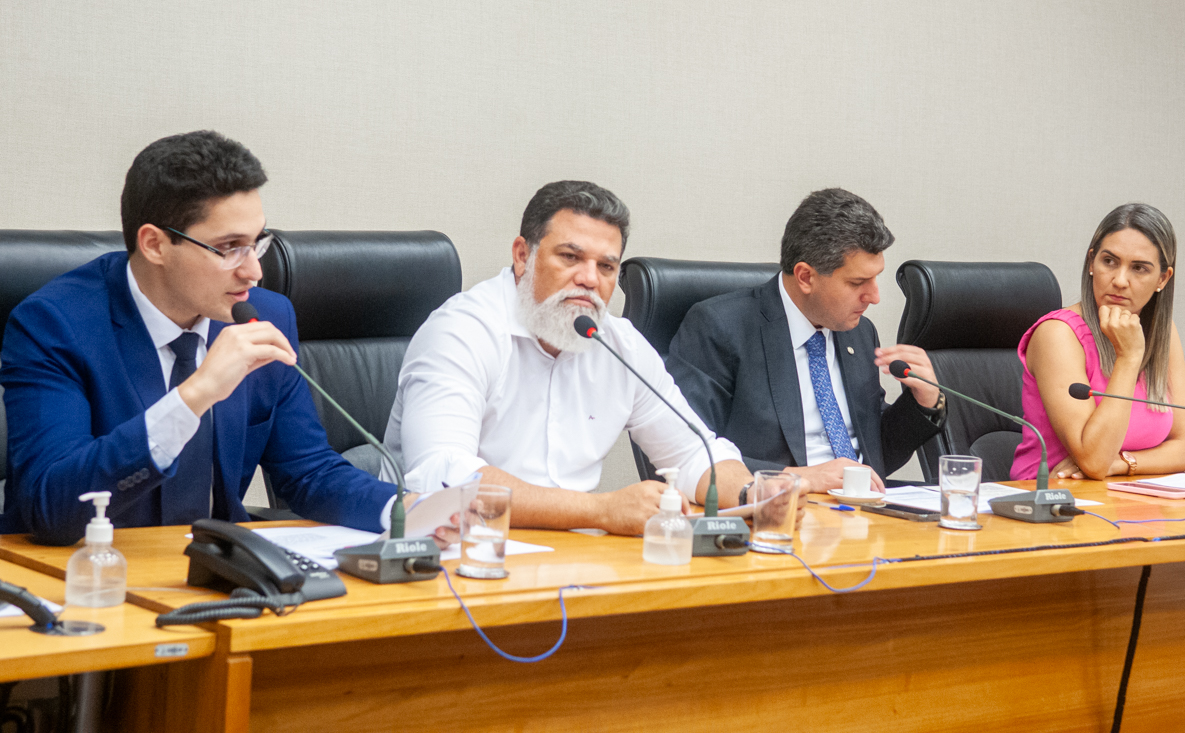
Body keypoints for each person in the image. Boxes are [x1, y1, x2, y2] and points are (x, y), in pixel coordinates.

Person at [1, 131, 404, 545]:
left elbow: (308, 472)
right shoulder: (54, 325)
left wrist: (406, 509)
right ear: (155, 245)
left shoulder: (264, 317)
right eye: (229, 247)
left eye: (256, 243)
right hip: (85, 568)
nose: (254, 272)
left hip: (219, 565)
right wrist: (195, 395)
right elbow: (51, 508)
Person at [384, 181, 804, 535]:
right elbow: (445, 474)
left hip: (575, 558)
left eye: (606, 267)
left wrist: (753, 494)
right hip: (456, 552)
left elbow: (694, 453)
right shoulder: (462, 331)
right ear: (522, 255)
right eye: (570, 257)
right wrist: (600, 511)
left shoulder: (618, 345)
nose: (589, 279)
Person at [666, 188, 945, 494]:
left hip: (861, 510)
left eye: (876, 277)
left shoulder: (859, 332)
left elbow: (874, 453)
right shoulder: (720, 328)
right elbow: (689, 452)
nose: (874, 297)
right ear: (805, 277)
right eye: (857, 282)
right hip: (780, 508)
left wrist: (924, 401)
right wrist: (800, 478)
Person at [1013, 203, 1185, 480]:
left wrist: (1122, 463)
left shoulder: (1163, 334)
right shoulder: (1058, 334)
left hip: (1129, 497)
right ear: (1091, 263)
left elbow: (1184, 449)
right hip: (1054, 497)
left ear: (1162, 278)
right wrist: (1129, 358)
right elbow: (1095, 460)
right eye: (1109, 261)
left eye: (1139, 268)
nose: (1119, 280)